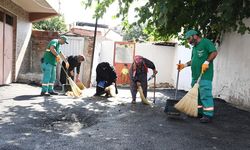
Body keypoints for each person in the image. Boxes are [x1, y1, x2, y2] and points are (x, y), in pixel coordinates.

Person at [177, 30, 218, 123]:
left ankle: (208, 115)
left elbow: (214, 53)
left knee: (205, 95)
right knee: (197, 95)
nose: (188, 41)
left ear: (195, 36)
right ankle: (199, 112)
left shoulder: (206, 42)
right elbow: (193, 60)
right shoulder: (194, 48)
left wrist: (207, 62)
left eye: (189, 38)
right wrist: (184, 65)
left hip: (205, 76)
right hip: (195, 76)